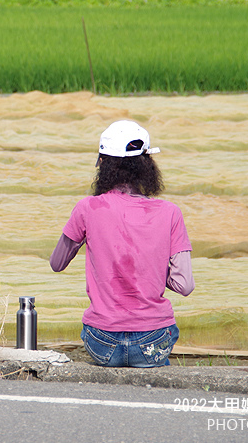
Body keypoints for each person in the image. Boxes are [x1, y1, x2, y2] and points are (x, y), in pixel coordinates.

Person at [49, 120, 194, 367]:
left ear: (103, 164)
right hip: (153, 339)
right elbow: (184, 285)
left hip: (102, 341)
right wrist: (155, 268)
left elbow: (57, 263)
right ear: (147, 166)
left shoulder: (86, 208)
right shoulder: (171, 212)